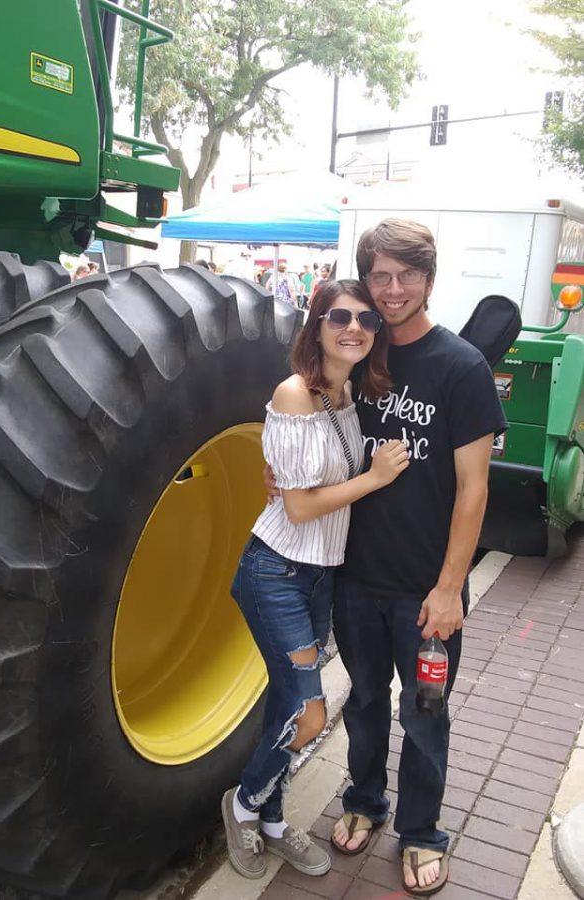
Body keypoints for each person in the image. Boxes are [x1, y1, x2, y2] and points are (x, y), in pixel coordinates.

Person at [267, 219, 506, 896]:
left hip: (424, 590)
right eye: (379, 276)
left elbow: (473, 487)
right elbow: (307, 429)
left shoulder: (460, 368)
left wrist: (450, 587)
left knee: (425, 712)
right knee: (367, 703)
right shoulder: (358, 355)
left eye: (406, 276)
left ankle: (423, 831)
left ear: (427, 279)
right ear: (364, 281)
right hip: (356, 579)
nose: (392, 290)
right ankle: (364, 801)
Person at [222, 279, 410, 881]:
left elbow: (302, 475)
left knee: (285, 701)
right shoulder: (296, 393)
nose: (355, 327)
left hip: (320, 577)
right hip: (276, 570)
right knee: (307, 713)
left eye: (366, 320)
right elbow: (300, 508)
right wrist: (376, 477)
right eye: (340, 317)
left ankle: (274, 823)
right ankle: (244, 805)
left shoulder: (346, 392)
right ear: (316, 326)